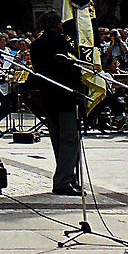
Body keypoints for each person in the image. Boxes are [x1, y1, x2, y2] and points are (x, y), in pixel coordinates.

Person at [30, 11, 83, 196]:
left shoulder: (35, 45)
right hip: (65, 97)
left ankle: (66, 177)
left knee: (58, 141)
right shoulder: (62, 42)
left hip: (47, 97)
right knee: (69, 140)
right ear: (58, 25)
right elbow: (73, 68)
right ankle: (64, 181)